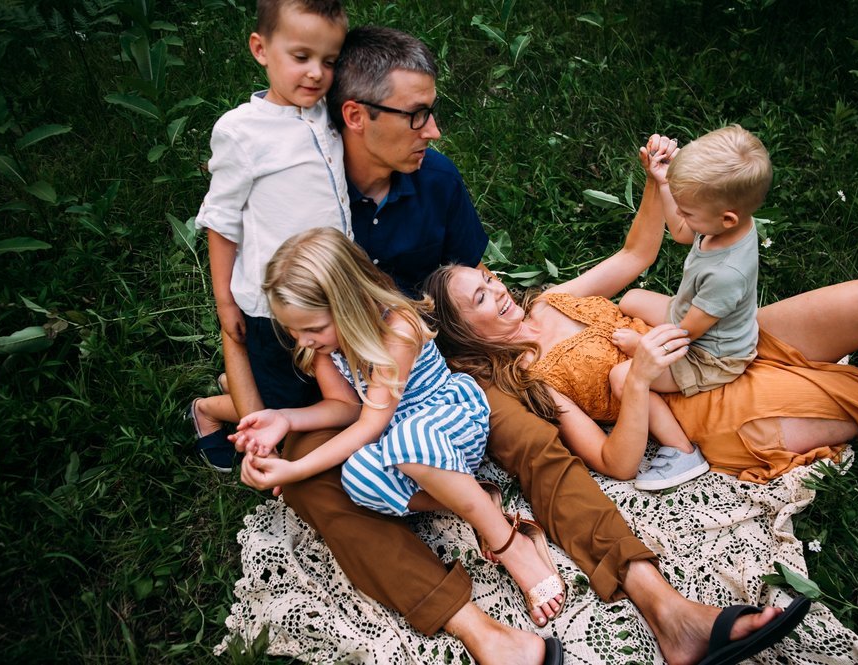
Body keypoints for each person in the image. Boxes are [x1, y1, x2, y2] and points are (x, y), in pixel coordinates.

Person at [225, 25, 813, 665]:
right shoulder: (305, 189)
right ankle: (489, 637)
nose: (435, 131)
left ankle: (664, 607)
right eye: (418, 114)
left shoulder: (436, 181)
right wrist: (262, 408)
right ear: (357, 116)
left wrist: (502, 356)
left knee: (534, 441)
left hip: (437, 365)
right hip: (340, 380)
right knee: (317, 492)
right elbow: (241, 305)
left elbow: (470, 298)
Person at [424, 159, 858, 488]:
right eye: (481, 295)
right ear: (465, 331)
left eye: (491, 278)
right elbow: (612, 464)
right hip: (706, 407)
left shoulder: (550, 301)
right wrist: (638, 379)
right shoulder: (530, 379)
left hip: (716, 344)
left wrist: (654, 182)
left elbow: (635, 255)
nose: (499, 288)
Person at [231, 228, 566, 629]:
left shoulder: (398, 328)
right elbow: (346, 407)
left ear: (347, 305)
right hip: (399, 440)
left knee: (406, 440)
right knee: (357, 477)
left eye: (312, 329)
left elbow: (372, 423)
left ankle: (510, 544)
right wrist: (285, 418)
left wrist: (295, 468)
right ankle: (474, 497)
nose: (302, 340)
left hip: (450, 420)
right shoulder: (321, 346)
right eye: (294, 330)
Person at [189, 0, 352, 472]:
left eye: (329, 60)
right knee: (281, 401)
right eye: (300, 57)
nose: (317, 73)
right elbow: (222, 219)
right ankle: (208, 410)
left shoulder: (326, 114)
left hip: (328, 291)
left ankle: (241, 386)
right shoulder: (243, 131)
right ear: (260, 49)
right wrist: (224, 301)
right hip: (271, 306)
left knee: (327, 387)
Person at [610, 125, 771, 490]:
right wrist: (664, 183)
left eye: (689, 211)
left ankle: (681, 451)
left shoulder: (727, 273)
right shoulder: (722, 223)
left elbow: (688, 334)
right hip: (692, 314)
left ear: (726, 218)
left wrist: (641, 348)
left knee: (623, 378)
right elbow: (683, 233)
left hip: (710, 354)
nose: (684, 218)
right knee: (632, 299)